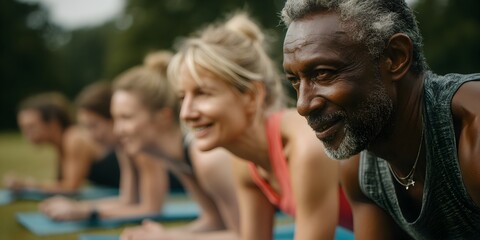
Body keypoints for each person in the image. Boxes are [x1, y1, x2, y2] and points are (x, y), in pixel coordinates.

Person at [281, 0, 480, 239]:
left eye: (323, 73)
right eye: (294, 80)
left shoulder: (471, 129)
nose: (303, 105)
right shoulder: (361, 170)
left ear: (395, 57)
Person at [168, 12, 352, 240]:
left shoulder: (305, 145)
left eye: (202, 93)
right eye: (181, 97)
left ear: (252, 96)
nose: (186, 113)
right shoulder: (246, 163)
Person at [110, 50, 239, 240]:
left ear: (163, 116)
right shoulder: (179, 159)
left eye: (126, 118)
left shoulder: (207, 159)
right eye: (115, 119)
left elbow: (248, 236)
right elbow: (214, 221)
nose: (117, 130)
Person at [39, 82, 167, 220]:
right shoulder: (124, 148)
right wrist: (78, 206)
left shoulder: (141, 148)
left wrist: (88, 213)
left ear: (113, 119)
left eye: (93, 126)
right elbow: (127, 200)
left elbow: (151, 209)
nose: (90, 136)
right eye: (86, 127)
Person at [5, 88, 120, 193]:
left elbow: (70, 187)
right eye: (23, 128)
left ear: (53, 123)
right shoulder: (61, 145)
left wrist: (27, 185)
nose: (27, 134)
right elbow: (60, 183)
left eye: (31, 127)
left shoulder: (73, 138)